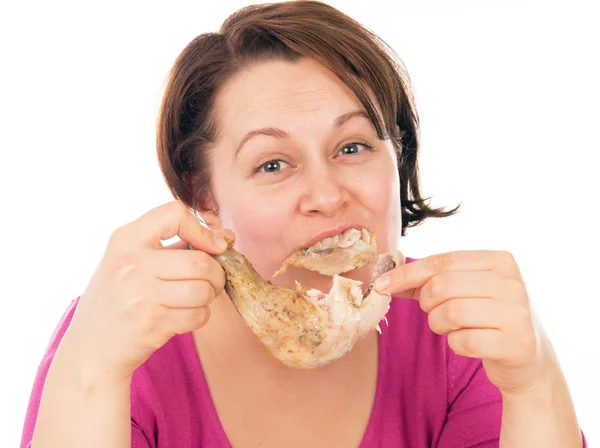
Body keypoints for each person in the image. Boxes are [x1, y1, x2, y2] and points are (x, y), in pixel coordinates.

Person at [21, 1, 586, 447]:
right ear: (205, 198)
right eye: (272, 163)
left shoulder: (462, 340)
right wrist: (89, 373)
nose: (325, 194)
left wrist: (535, 386)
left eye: (353, 146)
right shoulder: (120, 338)